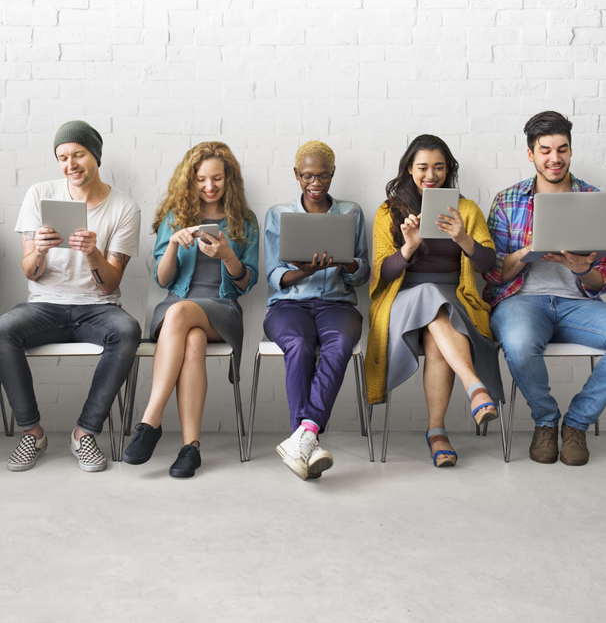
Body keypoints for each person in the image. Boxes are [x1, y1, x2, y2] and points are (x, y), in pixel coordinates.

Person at [0, 120, 141, 473]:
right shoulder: (40, 194)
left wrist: (93, 254)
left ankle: (84, 433)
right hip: (44, 304)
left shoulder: (124, 208)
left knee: (128, 330)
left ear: (96, 156)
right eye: (62, 157)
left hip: (98, 309)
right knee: (1, 330)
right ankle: (33, 433)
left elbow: (109, 284)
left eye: (78, 154)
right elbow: (29, 270)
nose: (70, 164)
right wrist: (39, 251)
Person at [122, 142, 259, 478]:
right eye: (201, 179)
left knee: (181, 313)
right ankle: (190, 448)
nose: (209, 186)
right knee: (192, 340)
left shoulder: (244, 221)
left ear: (229, 179)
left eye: (217, 179)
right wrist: (171, 243)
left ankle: (150, 420)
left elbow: (247, 283)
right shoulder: (175, 216)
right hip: (175, 310)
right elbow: (162, 279)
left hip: (222, 309)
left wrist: (228, 255)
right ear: (190, 180)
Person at [365, 135, 503, 467]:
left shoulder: (466, 209)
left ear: (449, 170)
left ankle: (436, 432)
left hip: (454, 301)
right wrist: (409, 246)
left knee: (437, 337)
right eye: (423, 167)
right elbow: (382, 273)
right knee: (428, 294)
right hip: (402, 301)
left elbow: (488, 266)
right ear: (409, 169)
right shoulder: (389, 211)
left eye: (439, 167)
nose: (431, 175)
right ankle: (475, 387)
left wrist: (463, 238)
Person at [483, 111, 606, 466]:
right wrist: (529, 249)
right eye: (546, 150)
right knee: (519, 346)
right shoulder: (507, 200)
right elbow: (493, 274)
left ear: (571, 150)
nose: (555, 158)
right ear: (531, 154)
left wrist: (583, 269)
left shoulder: (593, 198)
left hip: (576, 304)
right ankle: (546, 422)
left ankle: (577, 423)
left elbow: (601, 279)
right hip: (522, 301)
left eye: (562, 149)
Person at [263, 140, 370, 480]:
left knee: (339, 344)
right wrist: (306, 270)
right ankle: (305, 440)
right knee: (299, 345)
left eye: (324, 176)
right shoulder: (279, 215)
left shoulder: (350, 212)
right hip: (288, 305)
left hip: (337, 304)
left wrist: (348, 263)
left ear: (332, 175)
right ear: (297, 175)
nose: (316, 184)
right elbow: (275, 276)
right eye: (308, 176)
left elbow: (363, 274)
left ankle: (303, 436)